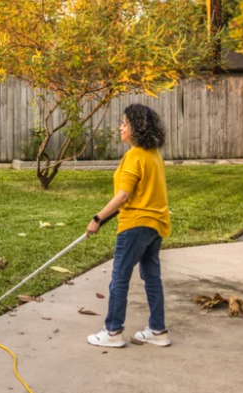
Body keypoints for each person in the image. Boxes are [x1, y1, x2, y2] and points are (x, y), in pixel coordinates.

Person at [85, 104, 171, 348]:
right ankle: (158, 331)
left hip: (135, 226)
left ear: (136, 128)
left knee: (119, 278)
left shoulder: (134, 156)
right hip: (156, 225)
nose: (120, 127)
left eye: (124, 123)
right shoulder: (154, 155)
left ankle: (112, 332)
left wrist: (97, 218)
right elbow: (143, 193)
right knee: (152, 278)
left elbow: (123, 196)